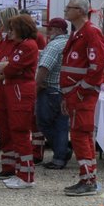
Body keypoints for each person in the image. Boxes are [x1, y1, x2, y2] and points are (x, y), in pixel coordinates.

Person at [58, 0, 104, 196]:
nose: (65, 11)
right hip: (75, 94)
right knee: (82, 135)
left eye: (68, 8)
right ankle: (88, 177)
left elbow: (96, 67)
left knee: (80, 135)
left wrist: (79, 91)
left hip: (82, 95)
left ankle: (88, 180)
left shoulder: (90, 33)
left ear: (79, 11)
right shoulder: (78, 33)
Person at [0, 13, 41, 188]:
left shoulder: (27, 46)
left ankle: (27, 176)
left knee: (20, 132)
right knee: (15, 131)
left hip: (20, 90)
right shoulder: (19, 45)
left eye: (12, 28)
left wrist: (5, 67)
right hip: (15, 89)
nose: (9, 31)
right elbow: (2, 66)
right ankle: (22, 172)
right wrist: (6, 67)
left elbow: (11, 67)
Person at [34, 17, 71, 170]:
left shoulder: (54, 45)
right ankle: (59, 158)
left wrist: (36, 86)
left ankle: (62, 152)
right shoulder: (70, 43)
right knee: (62, 125)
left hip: (50, 90)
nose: (47, 32)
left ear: (58, 30)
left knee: (43, 122)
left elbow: (44, 67)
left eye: (50, 29)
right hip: (66, 90)